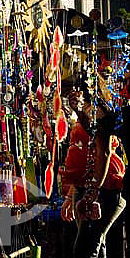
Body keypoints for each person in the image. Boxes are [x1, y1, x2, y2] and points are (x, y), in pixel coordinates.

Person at [61, 90, 126, 258]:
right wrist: (72, 195)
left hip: (104, 187)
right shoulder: (84, 120)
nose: (75, 99)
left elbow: (103, 152)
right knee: (94, 242)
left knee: (88, 245)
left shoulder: (99, 118)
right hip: (87, 187)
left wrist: (93, 192)